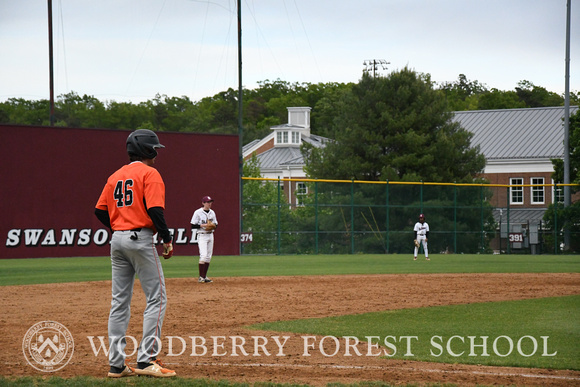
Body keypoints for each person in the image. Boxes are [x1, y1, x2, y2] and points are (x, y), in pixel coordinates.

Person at [95, 129, 176, 378]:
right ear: (146, 150)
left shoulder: (115, 175)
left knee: (119, 302)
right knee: (157, 298)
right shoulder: (150, 173)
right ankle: (146, 360)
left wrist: (120, 225)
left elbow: (99, 211)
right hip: (139, 239)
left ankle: (116, 365)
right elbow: (155, 210)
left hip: (117, 240)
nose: (156, 154)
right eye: (155, 149)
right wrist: (166, 238)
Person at [191, 196, 218, 283]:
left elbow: (216, 224)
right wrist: (203, 225)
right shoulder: (198, 212)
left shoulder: (212, 212)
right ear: (203, 203)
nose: (209, 204)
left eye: (210, 202)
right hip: (202, 235)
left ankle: (204, 276)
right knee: (203, 255)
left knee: (208, 257)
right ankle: (200, 277)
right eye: (207, 202)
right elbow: (193, 225)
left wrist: (212, 226)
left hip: (210, 235)